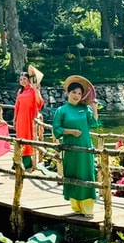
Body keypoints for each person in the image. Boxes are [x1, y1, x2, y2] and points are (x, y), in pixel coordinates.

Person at [52, 75, 100, 217]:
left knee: (87, 174)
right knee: (73, 174)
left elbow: (94, 124)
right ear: (68, 93)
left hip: (85, 148)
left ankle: (88, 209)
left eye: (79, 93)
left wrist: (94, 108)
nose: (77, 96)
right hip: (70, 148)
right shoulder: (61, 110)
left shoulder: (85, 109)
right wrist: (71, 132)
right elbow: (56, 129)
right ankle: (76, 206)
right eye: (74, 93)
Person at [13, 71, 44, 170]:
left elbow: (39, 103)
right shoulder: (20, 91)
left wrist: (37, 91)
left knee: (28, 137)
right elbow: (17, 106)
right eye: (21, 79)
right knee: (20, 138)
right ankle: (18, 160)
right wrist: (14, 118)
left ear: (29, 79)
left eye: (25, 79)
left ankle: (27, 162)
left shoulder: (33, 90)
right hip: (20, 118)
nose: (23, 81)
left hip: (29, 117)